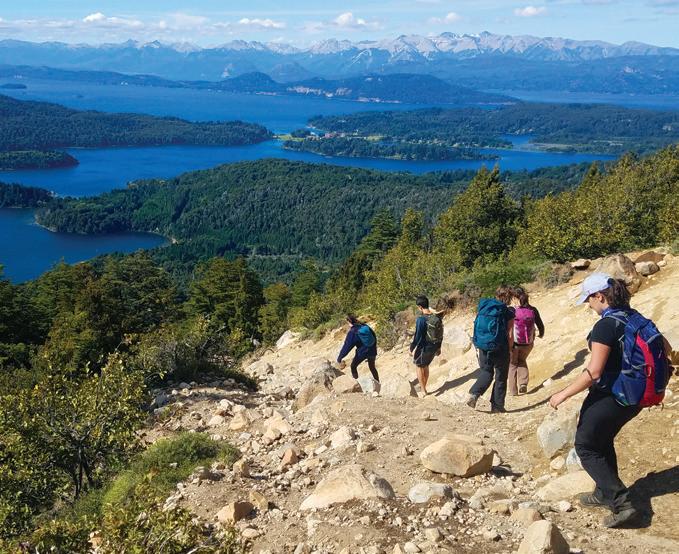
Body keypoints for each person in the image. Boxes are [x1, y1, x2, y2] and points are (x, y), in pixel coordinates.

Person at [549, 273, 670, 528]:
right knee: (602, 439)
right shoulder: (635, 317)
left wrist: (563, 394)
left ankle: (622, 503)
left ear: (600, 296)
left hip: (616, 394)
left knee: (585, 446)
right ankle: (603, 492)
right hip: (637, 395)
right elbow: (666, 348)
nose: (589, 306)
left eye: (589, 300)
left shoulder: (605, 326)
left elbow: (593, 372)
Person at [467, 285, 515, 413]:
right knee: (501, 377)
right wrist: (510, 349)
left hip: (483, 345)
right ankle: (497, 406)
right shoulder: (508, 312)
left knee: (487, 372)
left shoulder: (484, 306)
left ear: (497, 294)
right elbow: (510, 334)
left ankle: (474, 394)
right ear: (509, 297)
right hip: (500, 347)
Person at [508, 286, 545, 396]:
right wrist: (541, 333)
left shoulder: (512, 310)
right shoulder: (533, 310)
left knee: (512, 365)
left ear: (515, 298)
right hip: (528, 343)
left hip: (514, 344)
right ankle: (523, 383)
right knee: (522, 361)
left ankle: (513, 391)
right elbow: (540, 324)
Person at [409, 295, 443, 396]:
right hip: (434, 346)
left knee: (419, 366)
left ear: (420, 307)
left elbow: (417, 336)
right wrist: (439, 347)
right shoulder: (436, 317)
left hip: (424, 347)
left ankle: (423, 390)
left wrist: (411, 348)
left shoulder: (421, 319)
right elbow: (441, 333)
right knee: (426, 365)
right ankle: (424, 387)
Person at [337, 314, 379, 383]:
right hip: (372, 349)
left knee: (353, 366)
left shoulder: (353, 332)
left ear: (348, 322)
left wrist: (340, 358)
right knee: (372, 367)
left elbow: (347, 347)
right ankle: (378, 382)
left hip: (362, 352)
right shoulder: (364, 326)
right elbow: (374, 336)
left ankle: (357, 384)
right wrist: (373, 347)